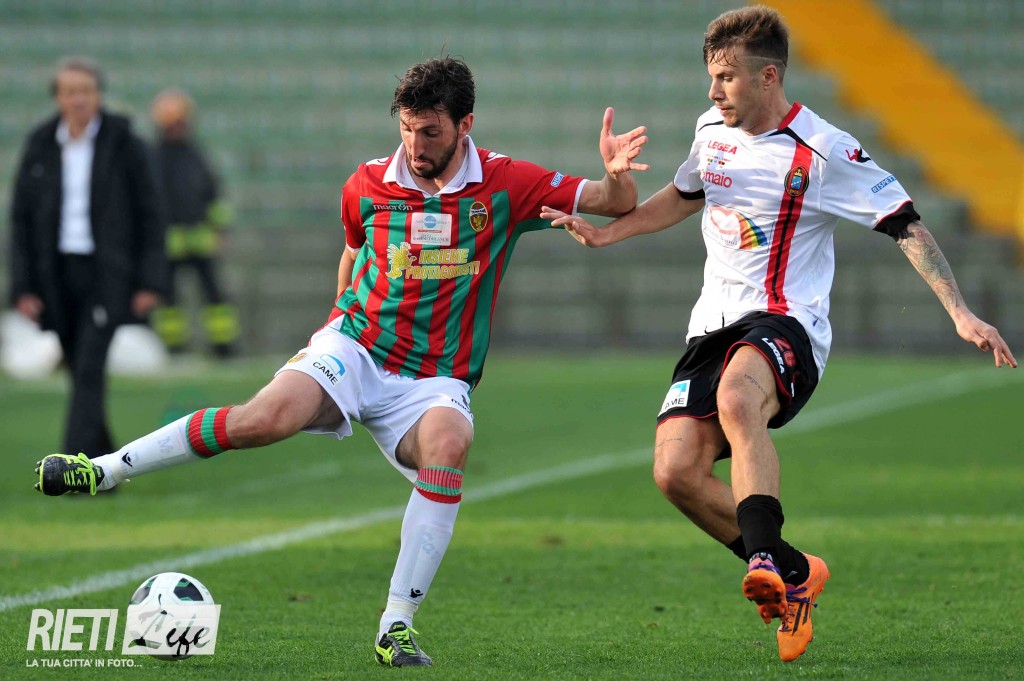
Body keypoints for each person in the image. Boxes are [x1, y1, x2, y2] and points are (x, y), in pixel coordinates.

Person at [33, 57, 649, 667]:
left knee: (448, 445)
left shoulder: (506, 182)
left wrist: (616, 174)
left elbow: (612, 202)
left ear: (465, 124)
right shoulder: (367, 183)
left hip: (436, 377)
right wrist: (332, 331)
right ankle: (103, 469)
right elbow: (353, 253)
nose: (415, 145)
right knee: (263, 420)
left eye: (430, 131)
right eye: (406, 128)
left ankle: (396, 625)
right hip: (355, 347)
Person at [542, 6, 1017, 663]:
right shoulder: (711, 131)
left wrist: (960, 312)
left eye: (727, 77)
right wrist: (608, 233)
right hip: (711, 325)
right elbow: (684, 196)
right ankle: (794, 572)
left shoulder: (825, 151)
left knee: (738, 398)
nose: (714, 91)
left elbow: (905, 224)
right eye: (712, 77)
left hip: (788, 320)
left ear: (769, 77)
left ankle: (762, 557)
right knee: (675, 472)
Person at [10, 56, 167, 462]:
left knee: (88, 367)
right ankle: (104, 463)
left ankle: (73, 466)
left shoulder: (124, 143)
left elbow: (151, 213)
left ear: (98, 95)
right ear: (58, 98)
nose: (78, 99)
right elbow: (21, 218)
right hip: (56, 273)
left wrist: (150, 280)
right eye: (70, 92)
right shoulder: (41, 144)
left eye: (86, 91)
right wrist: (23, 286)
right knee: (79, 366)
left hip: (107, 274)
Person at [149, 88, 240, 357]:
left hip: (201, 240)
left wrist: (220, 231)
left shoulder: (196, 155)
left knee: (215, 297)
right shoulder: (153, 157)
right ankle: (173, 348)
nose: (177, 127)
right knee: (169, 301)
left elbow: (213, 196)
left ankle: (223, 347)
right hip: (168, 243)